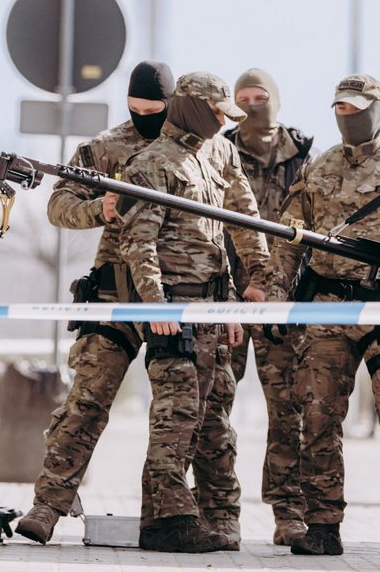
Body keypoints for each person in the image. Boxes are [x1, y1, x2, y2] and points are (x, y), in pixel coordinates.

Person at [263, 74, 380, 560]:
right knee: (317, 414)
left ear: (377, 108)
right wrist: (275, 294)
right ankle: (323, 524)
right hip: (326, 307)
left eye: (357, 108)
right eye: (340, 109)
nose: (348, 117)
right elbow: (290, 238)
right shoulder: (320, 166)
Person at [15, 60, 174, 545]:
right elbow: (58, 206)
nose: (144, 116)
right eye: (135, 108)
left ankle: (177, 515)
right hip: (116, 295)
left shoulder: (195, 150)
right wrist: (97, 209)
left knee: (185, 412)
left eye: (154, 109)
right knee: (85, 402)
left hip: (179, 297)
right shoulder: (105, 148)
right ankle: (47, 506)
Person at [119, 71, 270, 553]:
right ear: (194, 107)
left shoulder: (221, 152)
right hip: (175, 310)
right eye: (219, 110)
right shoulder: (152, 163)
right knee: (176, 414)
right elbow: (137, 241)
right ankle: (165, 520)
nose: (226, 119)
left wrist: (256, 283)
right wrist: (157, 305)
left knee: (214, 419)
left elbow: (245, 219)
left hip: (215, 305)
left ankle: (217, 517)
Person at [194, 68, 313, 547]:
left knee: (289, 409)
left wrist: (278, 286)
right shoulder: (218, 152)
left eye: (260, 97)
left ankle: (290, 511)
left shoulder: (305, 159)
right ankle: (218, 512)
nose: (252, 105)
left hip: (283, 302)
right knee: (214, 402)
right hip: (227, 298)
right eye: (243, 98)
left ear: (276, 101)